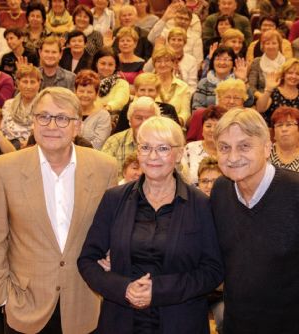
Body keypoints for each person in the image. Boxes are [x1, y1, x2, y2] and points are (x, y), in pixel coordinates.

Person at [0, 86, 118, 333]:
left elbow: (111, 232)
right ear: (33, 122)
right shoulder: (3, 168)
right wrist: (2, 296)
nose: (51, 125)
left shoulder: (105, 167)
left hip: (84, 302)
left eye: (62, 118)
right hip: (24, 305)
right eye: (43, 116)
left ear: (78, 126)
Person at [210, 107, 299, 333]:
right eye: (224, 148)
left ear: (267, 148)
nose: (233, 157)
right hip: (240, 322)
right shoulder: (220, 191)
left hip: (298, 325)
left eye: (245, 146)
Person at [78, 116, 223, 333]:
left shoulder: (200, 204)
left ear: (180, 153)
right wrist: (123, 288)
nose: (153, 156)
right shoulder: (114, 199)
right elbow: (88, 260)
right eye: (145, 147)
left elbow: (213, 270)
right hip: (120, 321)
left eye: (163, 148)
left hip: (181, 323)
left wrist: (159, 291)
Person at [102, 96, 161, 177]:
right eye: (138, 118)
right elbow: (103, 175)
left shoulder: (165, 144)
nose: (144, 123)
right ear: (129, 120)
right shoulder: (114, 142)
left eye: (149, 118)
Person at [112, 73, 180, 134]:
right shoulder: (128, 108)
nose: (146, 94)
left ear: (157, 92)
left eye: (151, 90)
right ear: (136, 91)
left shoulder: (169, 109)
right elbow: (119, 133)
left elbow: (177, 133)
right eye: (142, 90)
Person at [256, 58, 299, 127]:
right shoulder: (274, 91)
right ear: (283, 75)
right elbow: (260, 109)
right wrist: (268, 89)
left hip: (296, 131)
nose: (294, 76)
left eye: (298, 74)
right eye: (290, 73)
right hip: (274, 131)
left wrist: (293, 126)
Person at [192, 46, 248, 111]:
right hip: (210, 119)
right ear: (213, 62)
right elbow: (196, 108)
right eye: (218, 59)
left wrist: (242, 80)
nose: (222, 63)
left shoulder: (237, 81)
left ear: (233, 63)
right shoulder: (204, 83)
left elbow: (249, 103)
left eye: (226, 59)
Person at [1, 64, 41, 149]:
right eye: (25, 82)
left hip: (34, 146)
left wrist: (29, 141)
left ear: (39, 84)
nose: (28, 86)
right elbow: (3, 130)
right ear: (18, 83)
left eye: (32, 82)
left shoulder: (44, 105)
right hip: (9, 146)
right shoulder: (8, 104)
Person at [151, 46, 191, 125]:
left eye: (167, 61)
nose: (163, 65)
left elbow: (185, 113)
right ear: (154, 64)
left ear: (174, 63)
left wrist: (176, 122)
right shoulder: (147, 83)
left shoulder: (183, 86)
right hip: (151, 126)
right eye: (158, 61)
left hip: (175, 127)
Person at [181, 107, 219, 185]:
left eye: (217, 127)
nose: (212, 130)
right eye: (208, 126)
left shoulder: (229, 151)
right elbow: (182, 179)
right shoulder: (190, 149)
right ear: (202, 129)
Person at [75, 70, 111, 149]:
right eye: (81, 91)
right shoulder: (69, 112)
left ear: (96, 94)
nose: (85, 95)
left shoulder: (103, 116)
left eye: (89, 92)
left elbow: (98, 145)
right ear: (75, 92)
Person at [247, 30, 286, 100]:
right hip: (261, 98)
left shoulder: (287, 63)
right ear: (263, 46)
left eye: (274, 43)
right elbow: (251, 86)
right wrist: (263, 97)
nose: (271, 46)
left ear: (279, 45)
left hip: (283, 98)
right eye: (267, 43)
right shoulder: (256, 62)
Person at [93, 47, 130, 114]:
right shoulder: (88, 80)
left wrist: (107, 108)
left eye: (110, 65)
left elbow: (119, 101)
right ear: (96, 63)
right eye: (103, 63)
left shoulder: (122, 83)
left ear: (115, 66)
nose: (106, 68)